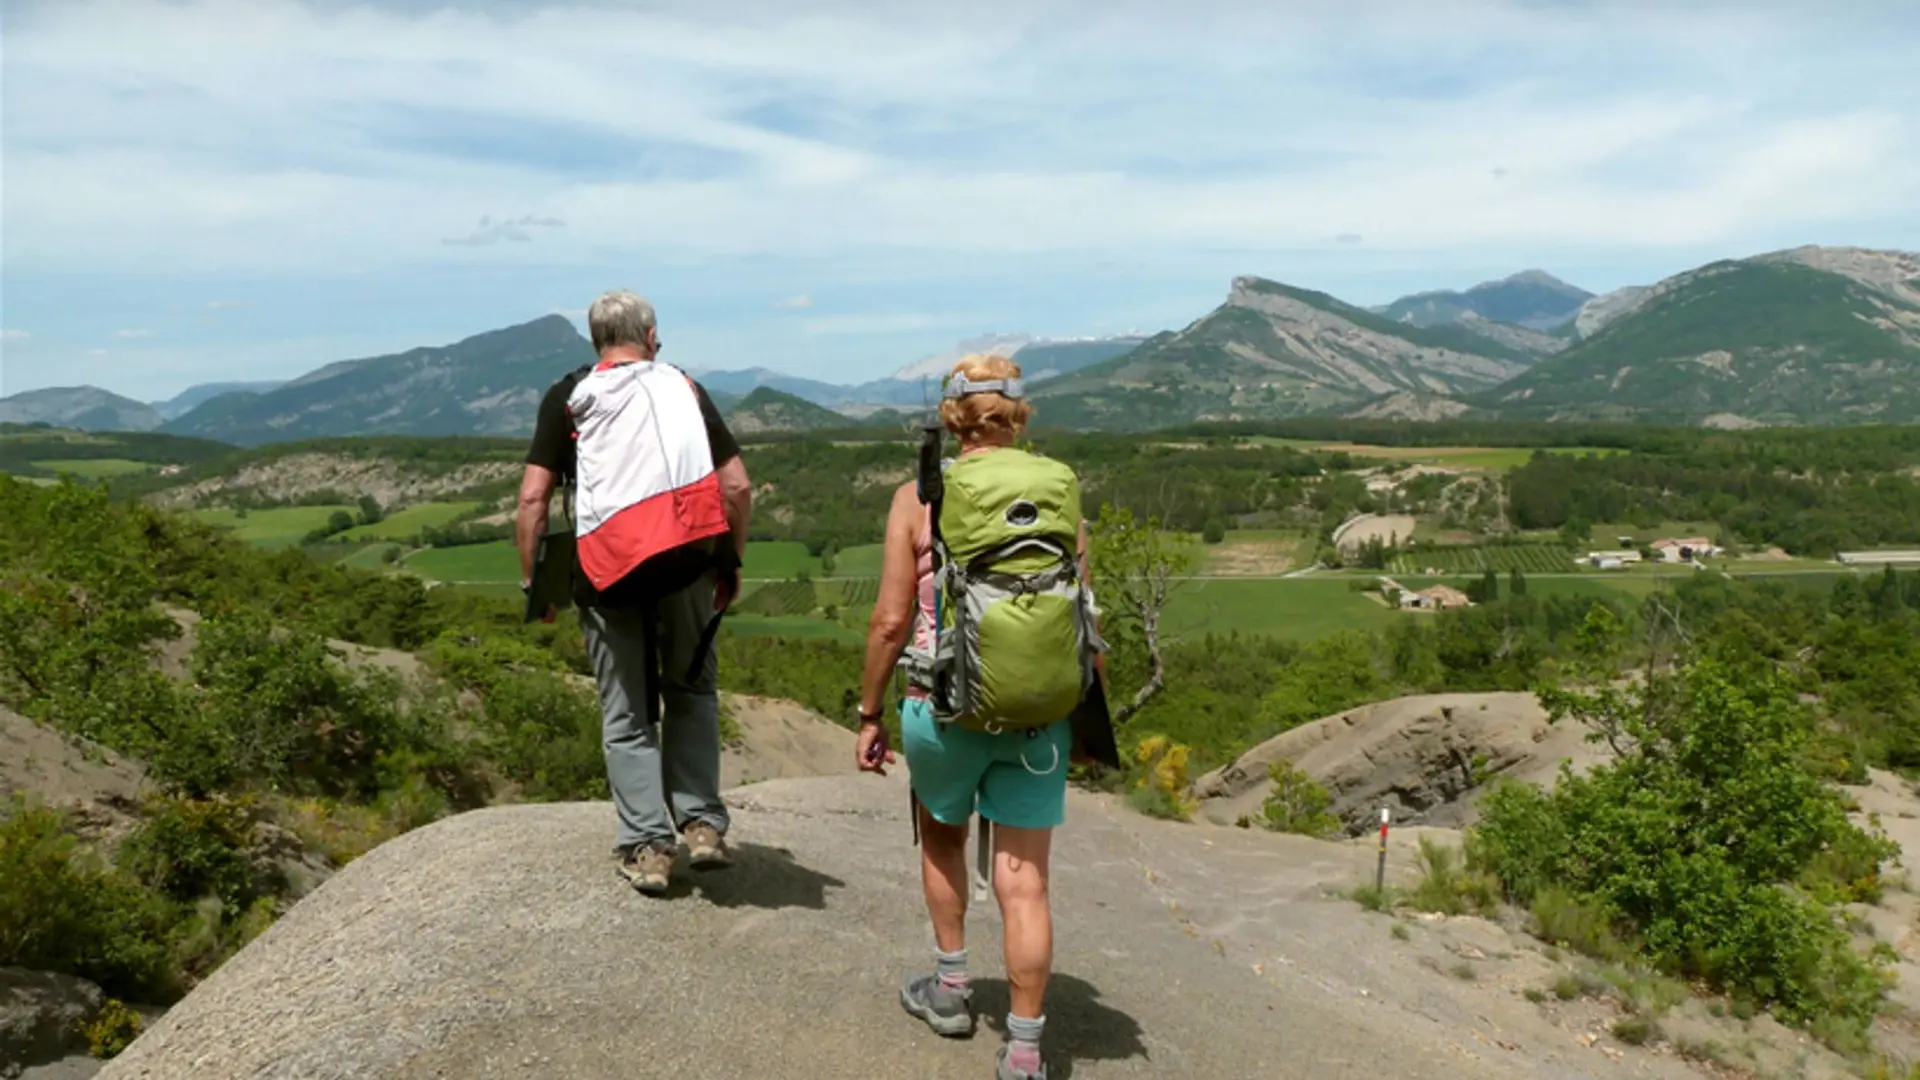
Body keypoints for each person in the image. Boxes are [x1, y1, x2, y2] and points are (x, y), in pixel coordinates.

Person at [855, 353, 1102, 1080]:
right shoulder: (1059, 495)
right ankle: (1025, 1050)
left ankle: (953, 989)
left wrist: (870, 712)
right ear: (1019, 418)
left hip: (942, 705)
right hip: (1038, 718)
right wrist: (1085, 719)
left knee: (941, 837)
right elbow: (1085, 618)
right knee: (1026, 882)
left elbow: (890, 621)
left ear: (953, 419)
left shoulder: (919, 497)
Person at [516, 289, 753, 896]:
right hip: (687, 564)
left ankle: (649, 847)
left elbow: (532, 500)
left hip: (607, 572)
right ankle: (701, 825)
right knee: (692, 689)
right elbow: (737, 487)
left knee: (627, 714)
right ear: (650, 337)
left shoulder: (567, 396)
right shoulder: (684, 387)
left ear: (597, 340)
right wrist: (728, 559)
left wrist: (535, 583)